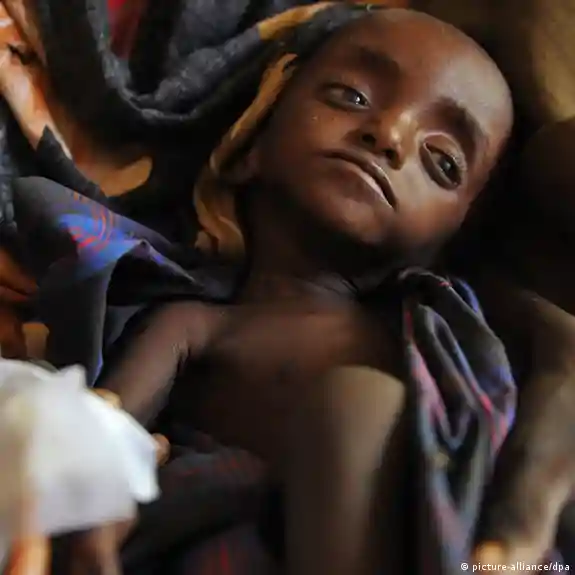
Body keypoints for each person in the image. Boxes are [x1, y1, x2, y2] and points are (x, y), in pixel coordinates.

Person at [53, 6, 518, 575]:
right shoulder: (192, 324)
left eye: (442, 161)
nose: (390, 135)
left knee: (360, 403)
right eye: (351, 96)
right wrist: (95, 511)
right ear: (250, 145)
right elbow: (103, 433)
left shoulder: (432, 341)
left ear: (443, 246)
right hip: (217, 542)